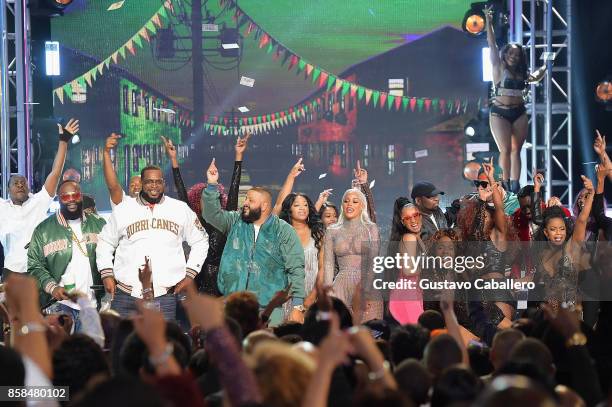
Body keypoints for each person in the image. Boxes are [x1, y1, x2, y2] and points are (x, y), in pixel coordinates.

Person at [96, 165, 209, 320]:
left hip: (164, 295)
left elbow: (201, 240)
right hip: (126, 294)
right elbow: (105, 241)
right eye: (149, 182)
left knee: (161, 342)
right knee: (123, 342)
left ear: (163, 183)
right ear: (142, 183)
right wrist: (106, 272)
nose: (154, 186)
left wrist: (190, 274)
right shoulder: (123, 209)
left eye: (158, 181)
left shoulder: (179, 209)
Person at [201, 158, 306, 325]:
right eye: (245, 199)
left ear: (264, 206)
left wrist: (298, 305)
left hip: (270, 309)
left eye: (250, 200)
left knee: (266, 350)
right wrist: (212, 185)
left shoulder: (283, 231)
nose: (245, 204)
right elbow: (211, 214)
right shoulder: (235, 221)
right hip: (233, 305)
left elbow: (296, 268)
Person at [162, 134, 246, 296]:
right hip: (196, 282)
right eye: (203, 198)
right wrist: (173, 160)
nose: (207, 200)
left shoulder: (224, 221)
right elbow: (181, 193)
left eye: (211, 196)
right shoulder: (193, 220)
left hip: (223, 282)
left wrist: (239, 156)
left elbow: (234, 189)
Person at [0, 118, 78, 278]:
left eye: (23, 182)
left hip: (37, 270)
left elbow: (55, 173)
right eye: (15, 183)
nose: (20, 185)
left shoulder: (38, 201)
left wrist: (63, 141)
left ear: (28, 186)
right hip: (11, 271)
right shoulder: (2, 207)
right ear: (8, 190)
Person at [27, 180, 106, 330]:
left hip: (90, 305)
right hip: (59, 307)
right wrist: (53, 288)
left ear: (81, 196)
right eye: (65, 197)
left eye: (75, 195)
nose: (71, 200)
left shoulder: (99, 224)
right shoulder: (43, 230)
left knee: (87, 352)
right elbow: (34, 265)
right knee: (59, 353)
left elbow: (111, 256)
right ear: (58, 198)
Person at [484, 5, 545, 193]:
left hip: (519, 112)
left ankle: (515, 185)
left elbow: (536, 77)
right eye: (510, 53)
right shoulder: (498, 67)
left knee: (516, 150)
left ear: (520, 58)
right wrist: (488, 20)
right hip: (500, 113)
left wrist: (545, 66)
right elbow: (492, 43)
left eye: (517, 55)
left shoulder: (523, 73)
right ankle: (503, 184)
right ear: (505, 54)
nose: (513, 56)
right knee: (504, 150)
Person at [458, 159, 517, 328]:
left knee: (503, 337)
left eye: (485, 216)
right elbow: (475, 233)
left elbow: (499, 209)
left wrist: (492, 181)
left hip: (497, 292)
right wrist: (481, 203)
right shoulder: (472, 239)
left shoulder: (499, 233)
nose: (482, 218)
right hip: (476, 294)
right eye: (479, 216)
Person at [323, 188, 382, 323]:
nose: (349, 204)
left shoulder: (371, 229)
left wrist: (365, 292)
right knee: (341, 333)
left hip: (367, 285)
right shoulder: (332, 230)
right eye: (346, 201)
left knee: (370, 332)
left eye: (355, 201)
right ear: (342, 205)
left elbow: (374, 262)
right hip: (340, 286)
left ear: (362, 205)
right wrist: (328, 292)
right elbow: (328, 264)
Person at [279, 193, 325, 312]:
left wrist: (312, 296)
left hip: (313, 290)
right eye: (297, 205)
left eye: (305, 205)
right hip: (287, 293)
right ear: (289, 209)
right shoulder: (281, 234)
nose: (302, 208)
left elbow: (323, 268)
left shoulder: (318, 234)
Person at [387, 198, 425, 324]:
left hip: (409, 293)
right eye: (408, 218)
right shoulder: (409, 238)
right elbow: (408, 270)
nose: (413, 220)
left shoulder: (413, 236)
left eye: (415, 215)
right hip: (407, 295)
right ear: (403, 222)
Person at [103, 133, 142, 207]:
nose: (136, 187)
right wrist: (106, 152)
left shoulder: (157, 205)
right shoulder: (124, 202)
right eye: (132, 185)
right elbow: (113, 186)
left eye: (140, 184)